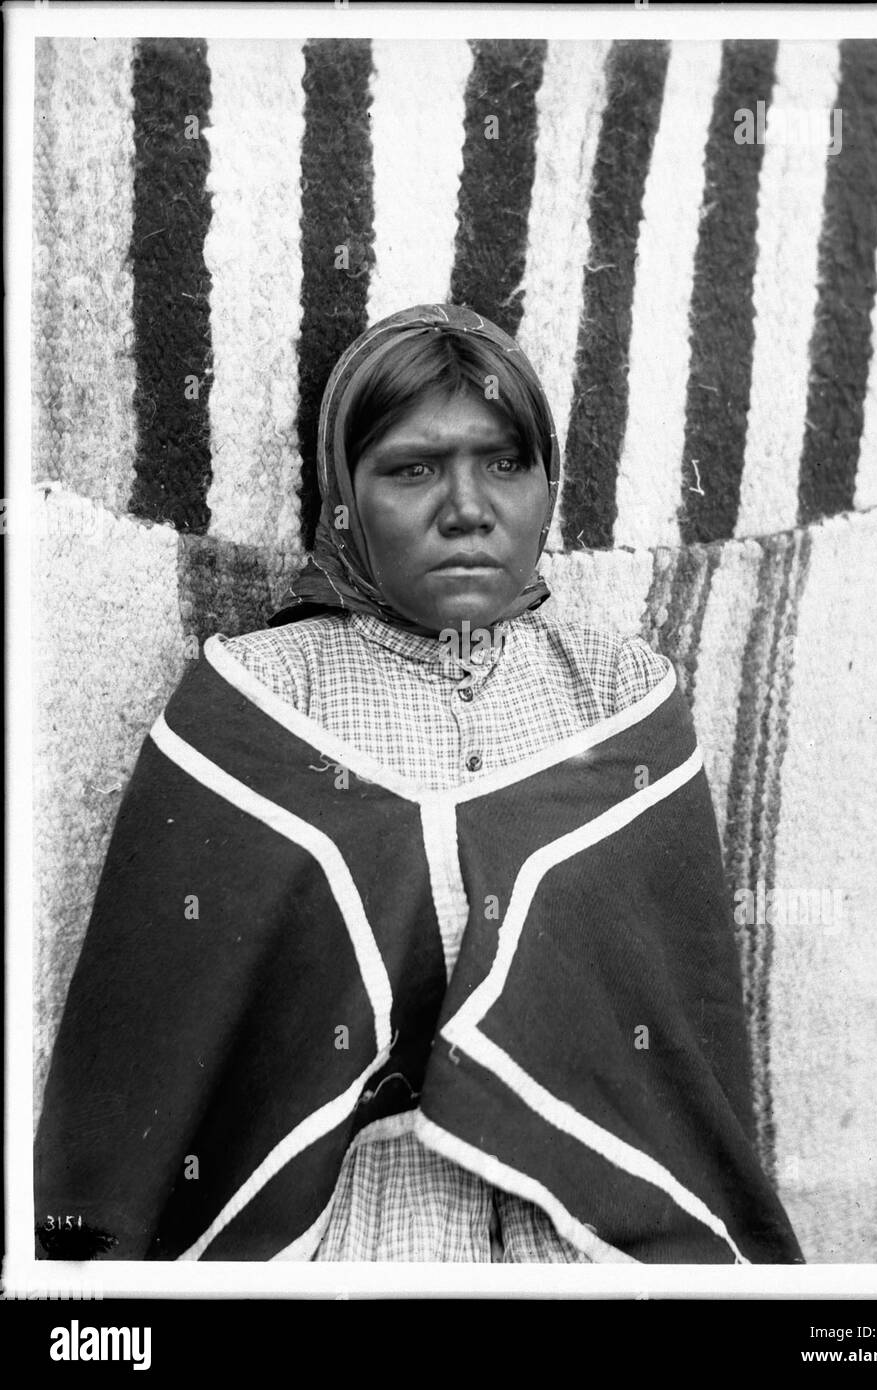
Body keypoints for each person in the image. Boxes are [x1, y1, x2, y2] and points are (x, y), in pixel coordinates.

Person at [35, 303, 803, 1264]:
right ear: (343, 497)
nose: (468, 508)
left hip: (589, 1246)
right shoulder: (255, 702)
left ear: (547, 485)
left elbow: (685, 1062)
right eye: (412, 469)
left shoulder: (622, 697)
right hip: (338, 1235)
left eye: (505, 463)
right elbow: (146, 1061)